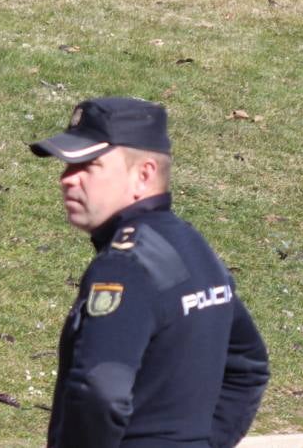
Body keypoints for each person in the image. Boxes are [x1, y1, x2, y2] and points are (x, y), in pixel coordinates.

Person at [30, 97, 269, 448]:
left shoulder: (124, 266)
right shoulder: (191, 247)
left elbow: (101, 389)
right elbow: (248, 367)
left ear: (143, 175)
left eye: (88, 166)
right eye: (67, 166)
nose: (67, 180)